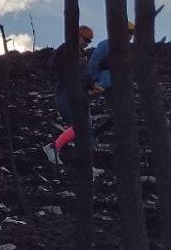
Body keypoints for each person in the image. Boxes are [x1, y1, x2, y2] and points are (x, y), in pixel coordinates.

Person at [42, 26, 100, 164]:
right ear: (78, 35)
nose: (87, 43)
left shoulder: (78, 54)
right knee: (80, 126)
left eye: (90, 41)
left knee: (84, 128)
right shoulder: (67, 50)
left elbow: (82, 74)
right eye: (85, 39)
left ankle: (87, 164)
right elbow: (57, 67)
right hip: (66, 94)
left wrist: (91, 86)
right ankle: (53, 148)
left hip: (77, 95)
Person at [86, 20, 135, 92]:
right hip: (105, 85)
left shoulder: (130, 49)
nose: (130, 35)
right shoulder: (106, 45)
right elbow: (93, 64)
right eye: (128, 32)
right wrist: (96, 82)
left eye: (132, 33)